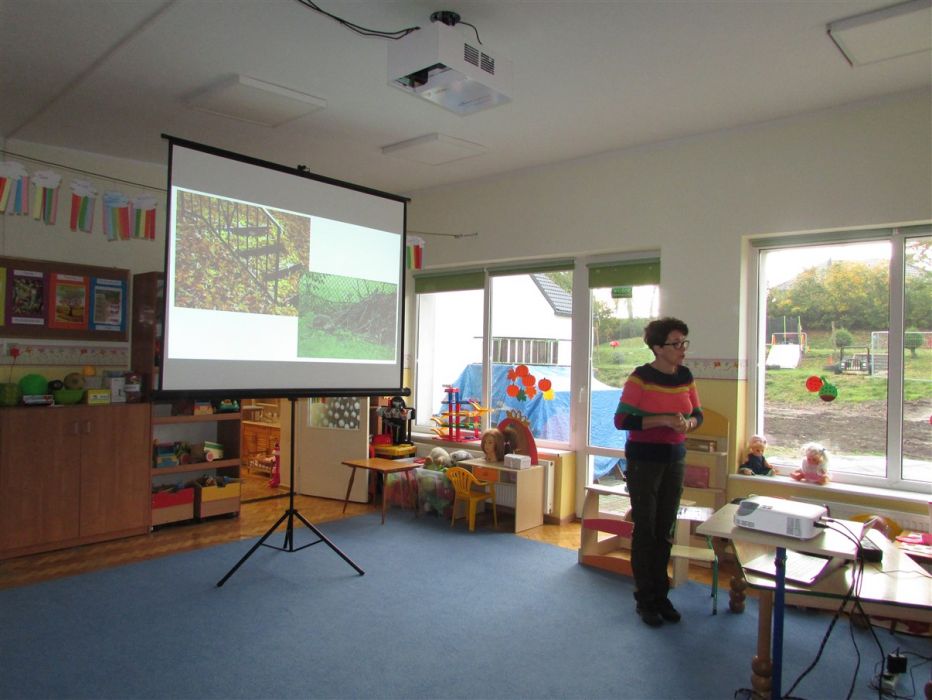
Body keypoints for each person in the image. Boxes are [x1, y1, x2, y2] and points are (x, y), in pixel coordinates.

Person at [614, 317, 703, 627]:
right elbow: (622, 420)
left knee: (665, 529)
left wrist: (688, 424)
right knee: (646, 530)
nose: (682, 348)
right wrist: (662, 420)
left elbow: (698, 414)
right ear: (657, 347)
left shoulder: (685, 376)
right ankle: (645, 599)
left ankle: (661, 595)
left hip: (674, 459)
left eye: (683, 342)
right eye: (675, 343)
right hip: (644, 461)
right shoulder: (640, 378)